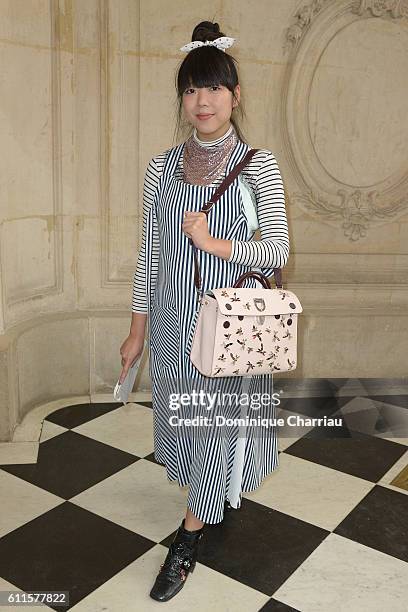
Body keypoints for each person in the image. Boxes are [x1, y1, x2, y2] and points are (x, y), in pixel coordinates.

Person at [119, 20, 290, 603]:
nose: (203, 101)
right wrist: (137, 330)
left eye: (214, 88)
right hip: (171, 329)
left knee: (217, 432)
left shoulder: (258, 167)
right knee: (187, 432)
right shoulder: (161, 170)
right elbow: (149, 256)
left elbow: (277, 249)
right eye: (192, 89)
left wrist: (217, 244)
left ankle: (188, 537)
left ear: (235, 95)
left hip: (229, 331)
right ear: (182, 98)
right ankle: (207, 499)